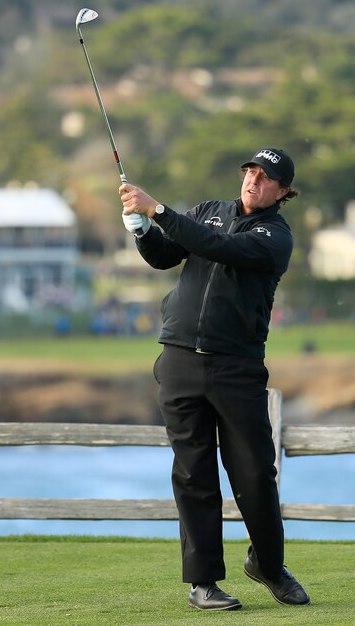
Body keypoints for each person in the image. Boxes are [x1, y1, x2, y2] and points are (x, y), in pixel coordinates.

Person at [118, 148, 310, 611]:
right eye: (250, 172)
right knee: (193, 473)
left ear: (283, 192)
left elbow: (219, 248)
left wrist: (158, 210)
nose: (253, 181)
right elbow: (167, 256)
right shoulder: (208, 212)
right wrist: (142, 229)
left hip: (235, 367)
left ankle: (267, 563)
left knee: (254, 474)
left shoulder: (274, 237)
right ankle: (203, 583)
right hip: (179, 359)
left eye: (265, 178)